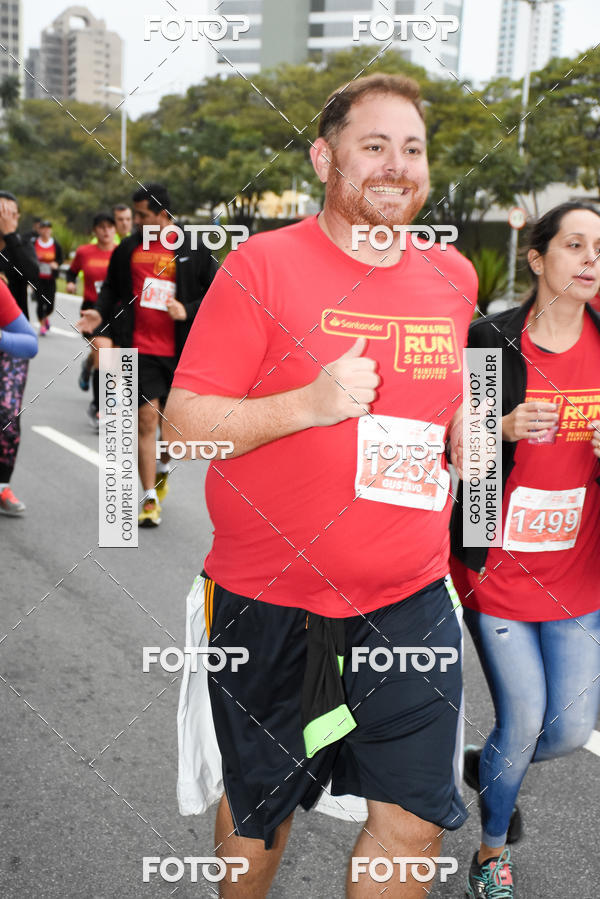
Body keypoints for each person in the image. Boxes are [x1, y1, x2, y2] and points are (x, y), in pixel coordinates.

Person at [165, 74, 477, 897]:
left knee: (413, 818)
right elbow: (184, 425)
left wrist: (463, 430)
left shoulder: (453, 277)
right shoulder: (261, 266)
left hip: (409, 596)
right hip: (272, 600)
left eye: (411, 148)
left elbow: (446, 400)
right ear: (323, 157)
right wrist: (309, 403)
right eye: (373, 144)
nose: (396, 165)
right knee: (263, 815)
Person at [450, 202, 600, 898]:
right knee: (528, 715)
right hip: (502, 567)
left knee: (568, 730)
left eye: (599, 247)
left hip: (580, 568)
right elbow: (459, 459)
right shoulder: (493, 340)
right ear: (539, 260)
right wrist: (501, 426)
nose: (591, 259)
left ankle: (491, 762)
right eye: (575, 245)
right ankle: (489, 849)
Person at [78, 183, 217, 526]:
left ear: (163, 215)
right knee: (146, 420)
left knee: (173, 430)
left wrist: (187, 309)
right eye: (135, 214)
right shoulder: (129, 248)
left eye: (143, 216)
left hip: (182, 351)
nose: (136, 221)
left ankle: (164, 467)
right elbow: (111, 289)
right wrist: (100, 318)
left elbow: (219, 291)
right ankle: (149, 498)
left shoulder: (193, 247)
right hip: (140, 349)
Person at [0, 191, 39, 514]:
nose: (5, 216)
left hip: (11, 339)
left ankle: (2, 486)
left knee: (8, 415)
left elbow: (32, 274)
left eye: (11, 212)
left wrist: (11, 236)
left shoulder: (19, 246)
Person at [66, 212, 118, 428]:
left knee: (112, 358)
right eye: (101, 227)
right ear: (95, 231)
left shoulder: (122, 252)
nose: (106, 231)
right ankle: (100, 408)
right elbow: (71, 272)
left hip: (117, 312)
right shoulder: (85, 252)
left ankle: (88, 367)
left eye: (109, 227)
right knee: (104, 353)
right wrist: (70, 283)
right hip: (92, 311)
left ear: (115, 230)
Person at [32, 220, 63, 335]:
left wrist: (56, 264)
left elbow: (60, 258)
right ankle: (42, 325)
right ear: (39, 230)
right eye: (43, 228)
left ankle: (45, 318)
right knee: (40, 303)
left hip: (50, 279)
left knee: (50, 304)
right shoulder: (34, 243)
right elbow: (29, 257)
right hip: (38, 278)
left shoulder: (55, 244)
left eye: (48, 228)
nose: (46, 231)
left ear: (51, 230)